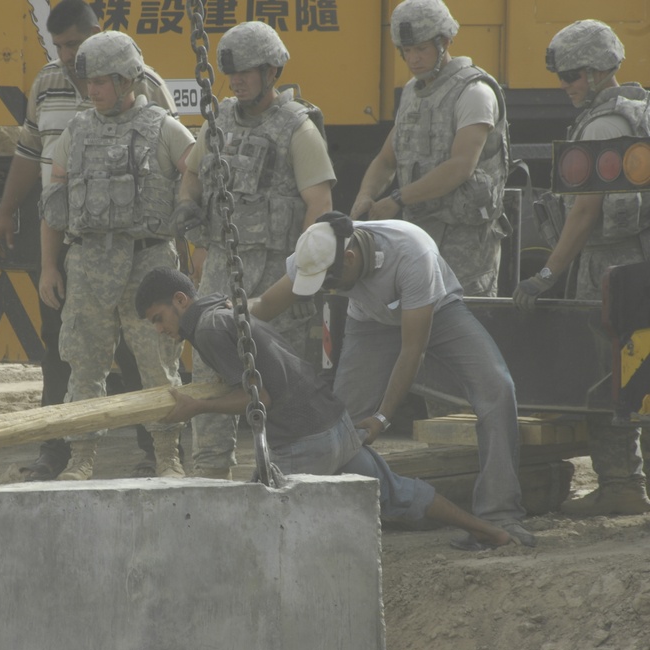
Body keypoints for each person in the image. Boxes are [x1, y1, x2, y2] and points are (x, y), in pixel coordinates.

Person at [135, 266, 517, 550]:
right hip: (337, 424)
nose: (158, 328)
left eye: (159, 318)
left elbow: (260, 399)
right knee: (396, 492)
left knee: (255, 515)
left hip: (304, 440)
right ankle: (491, 531)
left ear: (181, 301)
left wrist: (195, 407)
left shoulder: (205, 330)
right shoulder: (223, 309)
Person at [252, 212, 536, 549]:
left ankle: (500, 512)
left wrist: (384, 416)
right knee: (339, 426)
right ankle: (353, 511)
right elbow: (267, 304)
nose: (327, 290)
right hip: (371, 320)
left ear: (350, 259)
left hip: (438, 311)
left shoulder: (412, 255)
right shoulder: (316, 250)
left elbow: (412, 350)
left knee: (497, 388)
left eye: (330, 281)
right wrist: (224, 317)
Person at [0, 0, 178, 481]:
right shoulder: (58, 101)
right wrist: (19, 228)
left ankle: (160, 454)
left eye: (75, 45)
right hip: (80, 252)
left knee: (148, 360)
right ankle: (69, 455)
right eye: (62, 47)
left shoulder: (150, 98)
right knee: (72, 358)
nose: (70, 59)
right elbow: (44, 175)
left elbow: (182, 170)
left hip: (140, 253)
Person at [172, 21, 335, 479]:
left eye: (246, 72)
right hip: (223, 277)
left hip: (278, 284)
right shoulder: (218, 121)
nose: (237, 81)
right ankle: (208, 473)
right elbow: (192, 174)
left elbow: (319, 208)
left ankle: (291, 473)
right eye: (232, 74)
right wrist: (188, 209)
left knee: (281, 383)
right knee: (211, 374)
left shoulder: (297, 129)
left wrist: (301, 280)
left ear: (272, 70)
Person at [39, 30, 194, 480]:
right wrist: (50, 265)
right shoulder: (76, 132)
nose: (93, 90)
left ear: (127, 81)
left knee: (157, 365)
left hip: (149, 265)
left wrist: (196, 246)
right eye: (89, 82)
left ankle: (168, 456)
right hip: (86, 267)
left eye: (102, 81)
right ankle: (82, 458)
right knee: (83, 365)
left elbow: (196, 176)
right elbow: (54, 204)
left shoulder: (164, 129)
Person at [513, 20, 650, 515]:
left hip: (612, 270)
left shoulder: (599, 127)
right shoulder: (639, 112)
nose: (566, 85)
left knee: (606, 375)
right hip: (641, 262)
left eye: (572, 75)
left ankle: (620, 485)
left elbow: (586, 212)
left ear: (595, 73)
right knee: (644, 376)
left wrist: (547, 274)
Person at [350, 0, 509, 297]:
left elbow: (461, 165)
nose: (413, 59)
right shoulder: (412, 92)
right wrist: (365, 195)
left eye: (421, 49)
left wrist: (398, 199)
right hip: (421, 241)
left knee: (466, 328)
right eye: (406, 51)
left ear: (445, 42)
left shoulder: (474, 91)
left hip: (467, 247)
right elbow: (387, 159)